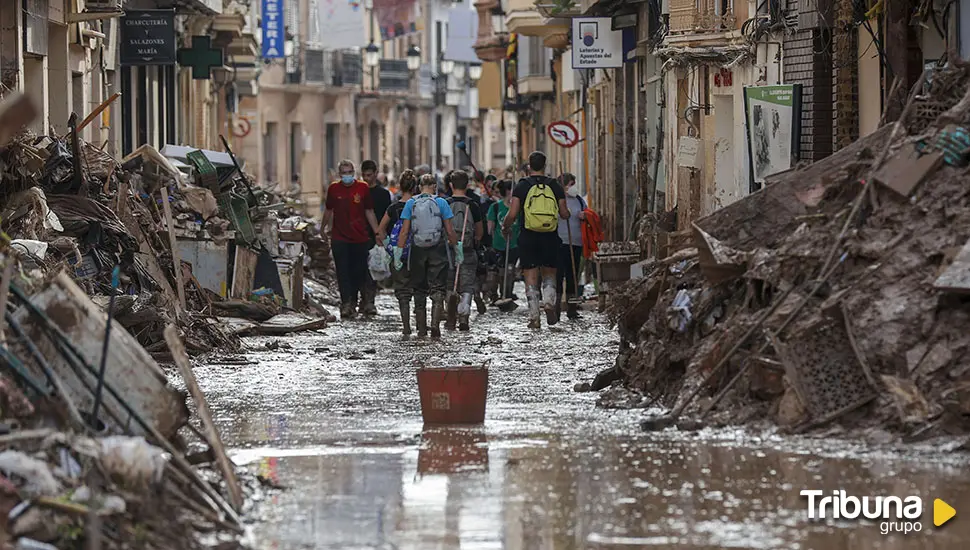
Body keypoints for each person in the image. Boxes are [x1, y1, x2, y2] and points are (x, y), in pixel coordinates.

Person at [501, 151, 569, 328]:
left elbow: (513, 213)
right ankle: (549, 300)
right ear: (545, 165)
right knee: (549, 273)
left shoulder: (522, 186)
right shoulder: (555, 185)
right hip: (550, 235)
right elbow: (564, 213)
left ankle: (534, 317)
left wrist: (505, 226)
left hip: (528, 236)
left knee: (530, 275)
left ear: (529, 166)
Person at [394, 174, 459, 338]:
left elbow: (404, 231)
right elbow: (450, 230)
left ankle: (421, 329)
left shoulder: (411, 203)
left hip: (417, 249)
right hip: (437, 248)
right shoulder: (442, 202)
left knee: (419, 288)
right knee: (438, 288)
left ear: (419, 187)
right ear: (435, 186)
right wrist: (458, 250)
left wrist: (398, 253)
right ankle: (435, 325)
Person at [323, 159, 381, 320]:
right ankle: (346, 304)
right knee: (342, 272)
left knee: (358, 272)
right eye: (344, 173)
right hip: (339, 237)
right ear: (339, 174)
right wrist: (323, 229)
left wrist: (377, 232)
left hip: (359, 237)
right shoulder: (334, 189)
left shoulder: (362, 188)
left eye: (349, 172)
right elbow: (328, 210)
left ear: (354, 173)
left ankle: (354, 301)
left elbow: (369, 211)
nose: (347, 176)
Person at [377, 169, 418, 336]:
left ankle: (406, 325)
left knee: (402, 290)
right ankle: (422, 326)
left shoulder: (393, 208)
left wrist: (389, 247)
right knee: (419, 289)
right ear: (415, 187)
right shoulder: (419, 206)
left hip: (397, 255)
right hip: (418, 253)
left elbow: (380, 230)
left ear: (400, 187)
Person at [445, 170, 484, 331]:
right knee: (467, 285)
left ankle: (450, 316)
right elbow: (480, 232)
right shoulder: (473, 204)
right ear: (467, 185)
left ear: (450, 185)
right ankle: (464, 316)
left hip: (448, 251)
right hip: (468, 249)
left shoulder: (445, 203)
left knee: (449, 283)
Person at [359, 159, 391, 316]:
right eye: (364, 175)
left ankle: (369, 301)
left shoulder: (383, 194)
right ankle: (362, 299)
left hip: (376, 236)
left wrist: (383, 235)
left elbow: (388, 215)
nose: (366, 178)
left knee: (373, 269)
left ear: (376, 174)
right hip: (359, 235)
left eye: (369, 175)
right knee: (359, 269)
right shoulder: (359, 192)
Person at [556, 173, 586, 320]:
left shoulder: (579, 200)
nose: (574, 187)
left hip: (576, 243)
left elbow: (587, 214)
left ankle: (571, 309)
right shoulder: (556, 200)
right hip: (560, 243)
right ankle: (555, 308)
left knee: (572, 276)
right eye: (571, 184)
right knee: (558, 275)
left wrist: (585, 216)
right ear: (564, 185)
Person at [487, 179, 519, 302]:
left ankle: (507, 294)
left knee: (510, 271)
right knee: (498, 272)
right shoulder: (495, 207)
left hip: (514, 244)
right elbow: (490, 228)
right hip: (498, 245)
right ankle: (494, 295)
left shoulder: (518, 208)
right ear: (507, 191)